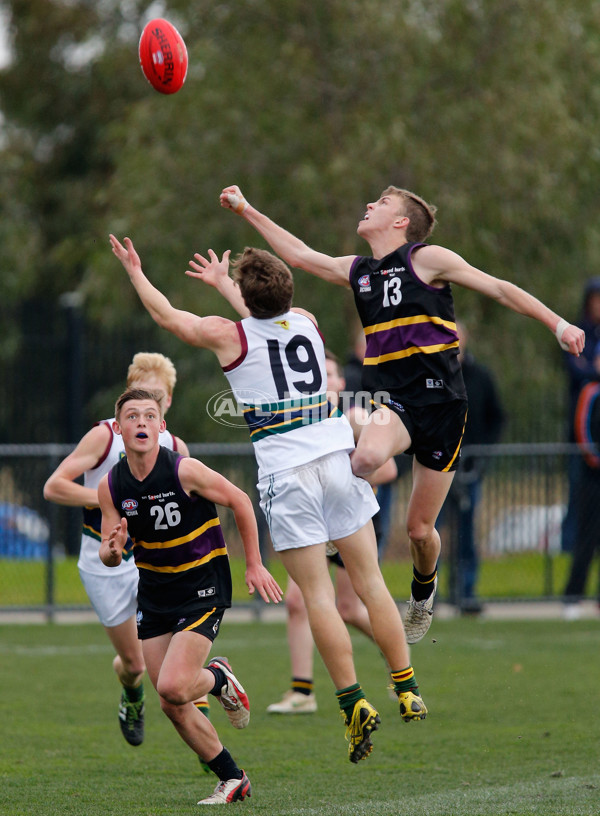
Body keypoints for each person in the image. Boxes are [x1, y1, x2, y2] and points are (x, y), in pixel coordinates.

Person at [109, 233, 427, 765]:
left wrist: (136, 271)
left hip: (288, 475)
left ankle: (352, 701)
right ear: (287, 289)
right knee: (371, 581)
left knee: (319, 598)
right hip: (336, 458)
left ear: (243, 295)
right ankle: (407, 685)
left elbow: (169, 316)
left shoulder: (228, 337)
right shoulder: (305, 320)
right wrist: (230, 285)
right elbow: (268, 314)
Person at [218, 183, 585, 643]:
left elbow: (499, 288)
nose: (369, 204)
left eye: (382, 203)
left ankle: (423, 590)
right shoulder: (360, 271)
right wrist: (247, 208)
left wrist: (559, 323)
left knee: (419, 530)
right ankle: (338, 527)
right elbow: (299, 255)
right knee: (365, 457)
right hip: (393, 402)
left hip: (444, 406)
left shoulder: (427, 259)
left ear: (401, 223)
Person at [98, 387, 281, 806]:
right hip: (155, 593)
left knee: (177, 685)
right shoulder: (112, 486)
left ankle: (217, 678)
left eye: (149, 416)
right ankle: (233, 779)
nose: (141, 422)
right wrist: (112, 549)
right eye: (131, 416)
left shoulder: (185, 470)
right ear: (119, 428)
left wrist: (253, 563)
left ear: (162, 427)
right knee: (169, 698)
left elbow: (239, 500)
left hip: (203, 586)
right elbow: (109, 554)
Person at [43, 352, 189, 747]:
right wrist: (111, 498)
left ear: (168, 404)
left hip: (153, 561)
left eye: (156, 401)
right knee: (135, 664)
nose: (145, 415)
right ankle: (132, 696)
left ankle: (200, 723)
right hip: (103, 560)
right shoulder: (104, 436)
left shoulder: (176, 447)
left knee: (181, 641)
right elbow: (53, 486)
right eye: (137, 402)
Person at [267, 350, 397, 714]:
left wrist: (342, 476)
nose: (319, 380)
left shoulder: (353, 417)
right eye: (314, 373)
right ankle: (302, 691)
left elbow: (387, 472)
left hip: (349, 522)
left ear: (341, 383)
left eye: (328, 374)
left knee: (350, 608)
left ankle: (397, 658)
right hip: (313, 524)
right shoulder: (300, 421)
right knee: (298, 602)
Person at [440, 321, 505, 613]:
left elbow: (497, 417)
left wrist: (483, 455)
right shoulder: (434, 375)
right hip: (438, 465)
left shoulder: (480, 377)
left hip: (470, 467)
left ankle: (466, 592)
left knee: (466, 531)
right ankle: (428, 596)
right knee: (430, 531)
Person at [561, 278, 600, 554]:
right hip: (582, 431)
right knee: (578, 496)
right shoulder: (579, 332)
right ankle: (570, 546)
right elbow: (578, 371)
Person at [563, 339, 600, 619]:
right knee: (586, 537)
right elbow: (582, 431)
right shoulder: (591, 391)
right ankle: (573, 597)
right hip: (592, 477)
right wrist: (594, 458)